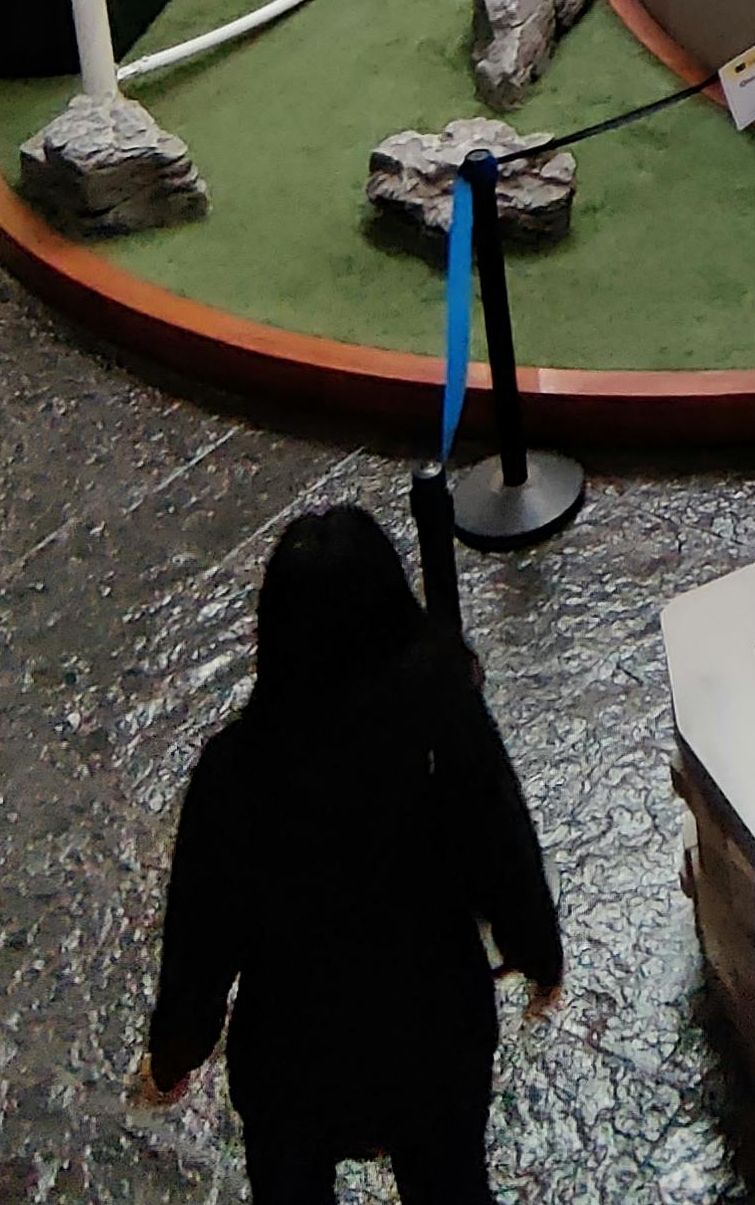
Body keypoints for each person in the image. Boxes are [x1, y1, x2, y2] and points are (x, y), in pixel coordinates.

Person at [136, 506, 563, 1205]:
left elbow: (200, 939)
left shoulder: (235, 770)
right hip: (435, 1035)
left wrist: (176, 1052)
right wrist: (539, 955)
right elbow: (503, 849)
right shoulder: (444, 724)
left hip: (294, 1058)